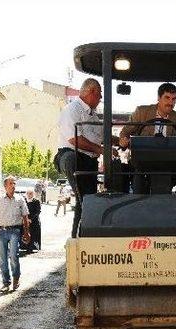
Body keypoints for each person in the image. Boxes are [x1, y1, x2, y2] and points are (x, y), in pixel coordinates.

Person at [56, 78, 118, 237]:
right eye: (100, 95)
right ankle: (79, 236)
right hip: (71, 156)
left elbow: (103, 136)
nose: (101, 99)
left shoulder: (94, 116)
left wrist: (122, 141)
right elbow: (74, 139)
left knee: (87, 202)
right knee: (82, 197)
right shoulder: (72, 109)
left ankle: (82, 235)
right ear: (92, 92)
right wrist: (102, 150)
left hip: (89, 161)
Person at [119, 83, 176, 194]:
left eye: (174, 99)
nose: (171, 103)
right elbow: (125, 132)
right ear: (158, 98)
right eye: (167, 98)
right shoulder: (141, 112)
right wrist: (123, 140)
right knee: (139, 172)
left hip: (167, 159)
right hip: (143, 158)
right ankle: (139, 198)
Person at [0, 176, 30, 292]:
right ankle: (6, 282)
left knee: (14, 256)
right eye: (10, 184)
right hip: (1, 232)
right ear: (5, 186)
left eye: (14, 183)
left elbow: (25, 216)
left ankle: (16, 278)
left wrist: (27, 232)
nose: (13, 186)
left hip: (15, 231)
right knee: (2, 258)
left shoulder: (20, 199)